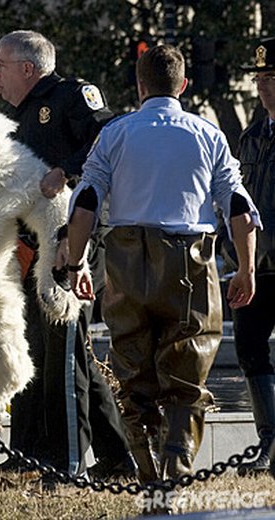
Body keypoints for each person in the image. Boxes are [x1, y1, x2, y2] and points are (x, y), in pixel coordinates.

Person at [67, 44, 260, 486]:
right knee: (187, 373)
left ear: (139, 86)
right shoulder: (208, 134)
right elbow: (238, 205)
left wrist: (76, 263)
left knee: (132, 371)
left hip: (125, 259)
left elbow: (87, 201)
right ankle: (177, 465)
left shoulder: (115, 134)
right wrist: (246, 269)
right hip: (188, 261)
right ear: (184, 85)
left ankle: (146, 467)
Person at [0, 29, 134, 480]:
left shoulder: (72, 96)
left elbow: (109, 136)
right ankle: (103, 455)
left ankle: (67, 459)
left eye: (2, 65)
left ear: (29, 69)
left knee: (64, 355)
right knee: (43, 351)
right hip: (30, 248)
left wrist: (66, 170)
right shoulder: (16, 115)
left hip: (69, 244)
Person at [228, 36, 275, 476]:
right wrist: (237, 259)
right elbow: (242, 202)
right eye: (259, 77)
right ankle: (269, 444)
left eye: (271, 77)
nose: (263, 86)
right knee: (249, 351)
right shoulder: (253, 136)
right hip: (258, 268)